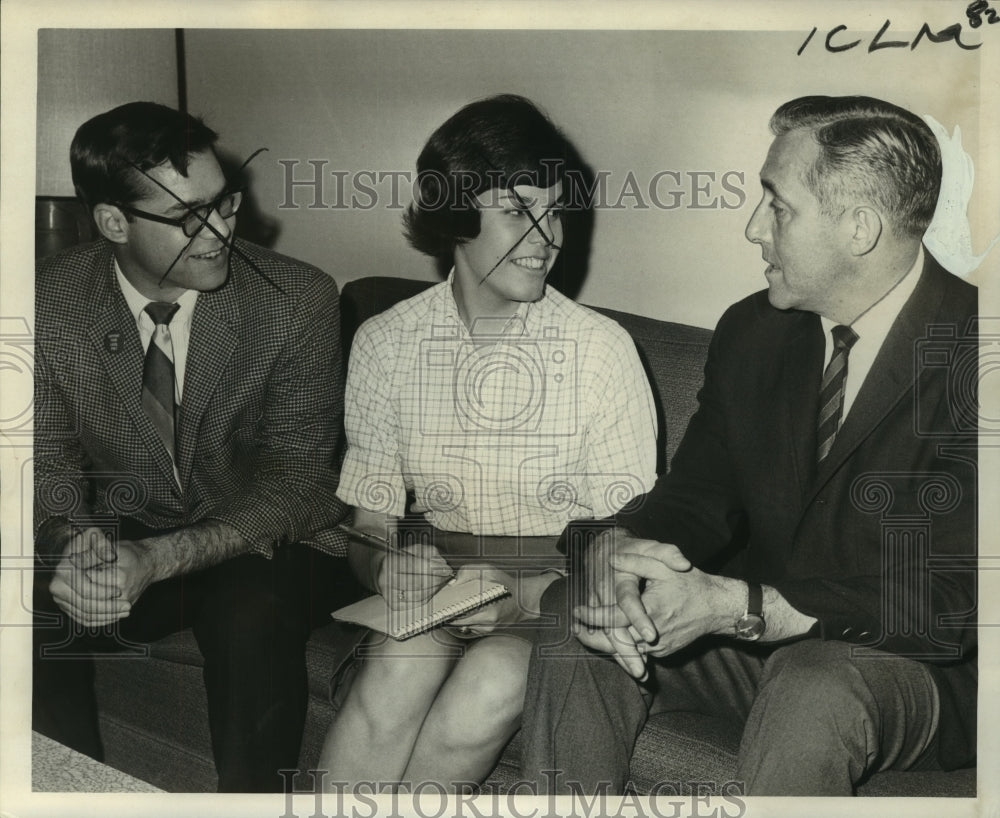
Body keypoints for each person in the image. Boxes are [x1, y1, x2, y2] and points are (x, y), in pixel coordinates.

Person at [518, 95, 978, 795]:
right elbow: (698, 497)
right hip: (762, 636)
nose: (752, 228)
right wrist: (619, 550)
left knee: (811, 683)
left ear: (859, 229)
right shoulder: (756, 331)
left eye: (778, 206)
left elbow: (954, 600)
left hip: (920, 668)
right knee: (576, 611)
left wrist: (751, 605)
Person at [319, 94, 658, 790]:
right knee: (389, 680)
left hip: (566, 600)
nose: (546, 236)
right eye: (517, 210)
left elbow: (627, 552)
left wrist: (517, 589)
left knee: (485, 688)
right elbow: (370, 526)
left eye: (555, 209)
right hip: (447, 592)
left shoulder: (601, 351)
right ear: (455, 217)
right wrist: (384, 570)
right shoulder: (387, 342)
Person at [32, 101, 356, 792]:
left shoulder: (295, 298)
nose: (220, 233)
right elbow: (47, 465)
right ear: (114, 222)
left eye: (224, 204)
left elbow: (302, 481)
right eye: (188, 216)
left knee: (250, 613)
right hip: (131, 525)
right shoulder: (48, 303)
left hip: (263, 539)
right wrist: (75, 544)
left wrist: (161, 556)